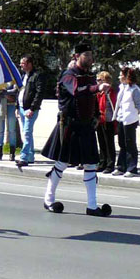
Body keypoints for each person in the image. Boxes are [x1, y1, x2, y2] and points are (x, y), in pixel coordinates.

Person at [40, 43, 112, 217]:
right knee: (62, 163)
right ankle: (49, 200)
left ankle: (92, 206)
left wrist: (96, 115)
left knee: (91, 164)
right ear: (76, 56)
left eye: (91, 54)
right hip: (70, 125)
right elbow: (77, 91)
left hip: (86, 125)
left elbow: (92, 98)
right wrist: (97, 88)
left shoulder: (89, 76)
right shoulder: (68, 75)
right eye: (86, 54)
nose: (90, 58)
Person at [112, 67, 140, 177]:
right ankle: (121, 167)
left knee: (130, 145)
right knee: (122, 144)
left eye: (121, 75)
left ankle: (132, 168)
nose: (119, 77)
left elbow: (139, 106)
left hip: (130, 120)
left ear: (126, 77)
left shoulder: (135, 90)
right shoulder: (122, 88)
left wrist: (132, 115)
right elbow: (119, 104)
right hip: (121, 119)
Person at [15, 54, 44, 167]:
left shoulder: (37, 76)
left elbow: (39, 93)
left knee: (27, 132)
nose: (21, 65)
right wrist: (17, 107)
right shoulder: (23, 76)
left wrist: (32, 108)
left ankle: (24, 157)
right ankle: (30, 156)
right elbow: (20, 91)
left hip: (30, 109)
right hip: (22, 108)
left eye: (23, 63)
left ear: (29, 64)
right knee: (27, 133)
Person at [95, 71, 118, 174]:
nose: (97, 82)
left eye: (99, 80)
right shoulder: (99, 93)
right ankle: (102, 163)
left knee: (109, 144)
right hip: (100, 121)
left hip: (109, 121)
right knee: (102, 143)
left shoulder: (111, 93)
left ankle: (110, 165)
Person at [0, 82, 18, 161]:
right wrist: (4, 94)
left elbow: (15, 90)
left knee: (12, 130)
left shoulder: (12, 79)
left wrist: (3, 93)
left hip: (11, 104)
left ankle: (12, 153)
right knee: (0, 130)